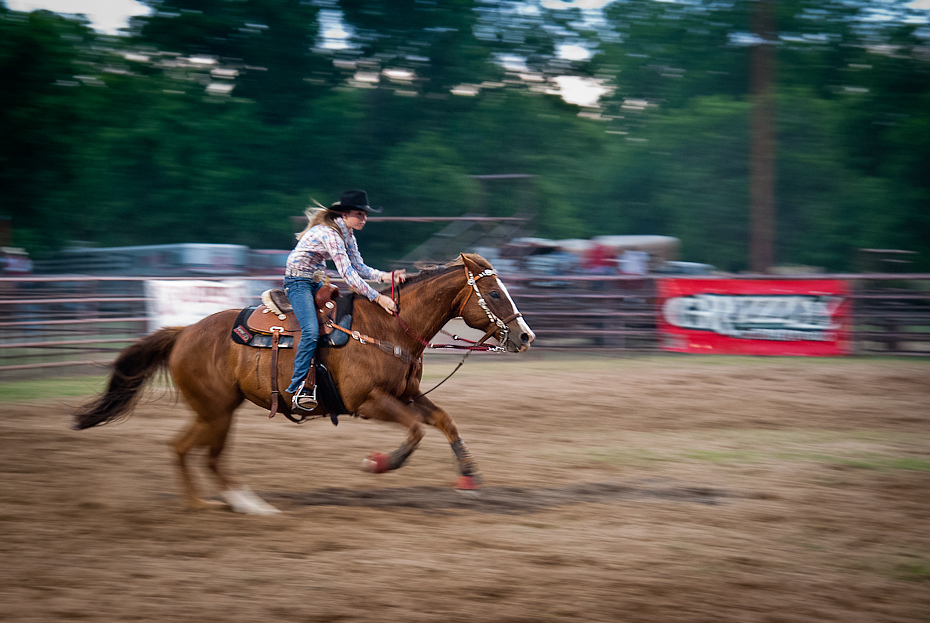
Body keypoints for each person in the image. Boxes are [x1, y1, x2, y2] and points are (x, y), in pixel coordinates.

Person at [284, 190, 406, 410]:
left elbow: (359, 267)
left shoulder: (347, 234)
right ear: (345, 214)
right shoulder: (330, 234)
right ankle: (298, 386)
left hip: (316, 282)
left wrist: (385, 276)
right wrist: (378, 298)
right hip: (298, 282)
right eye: (359, 214)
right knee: (311, 331)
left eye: (365, 215)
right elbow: (348, 274)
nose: (364, 219)